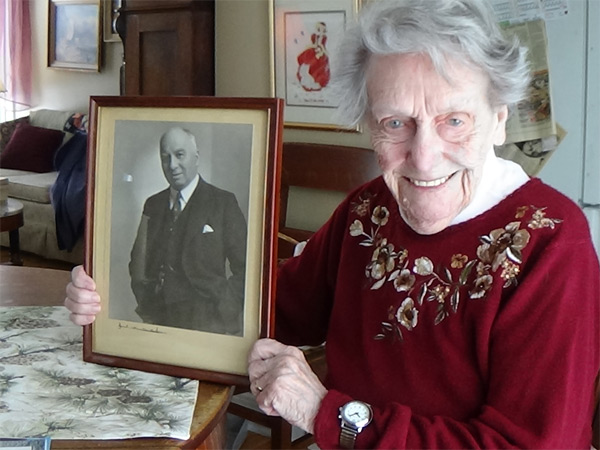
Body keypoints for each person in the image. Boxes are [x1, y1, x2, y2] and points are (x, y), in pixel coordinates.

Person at [65, 1, 599, 448]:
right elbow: (271, 308)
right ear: (369, 124)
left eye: (454, 120)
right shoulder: (369, 211)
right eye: (396, 123)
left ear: (499, 117)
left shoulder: (551, 243)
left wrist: (328, 411)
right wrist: (111, 304)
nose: (425, 156)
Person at [128, 126, 247, 335]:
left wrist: (225, 306)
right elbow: (139, 261)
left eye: (179, 155)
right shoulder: (153, 204)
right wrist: (146, 300)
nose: (172, 165)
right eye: (166, 157)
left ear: (196, 157)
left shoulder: (223, 202)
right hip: (160, 316)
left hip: (207, 319)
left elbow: (246, 268)